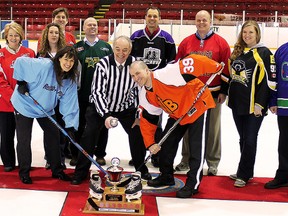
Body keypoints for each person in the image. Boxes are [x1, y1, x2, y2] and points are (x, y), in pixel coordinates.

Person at [129, 54, 224, 198]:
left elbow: (193, 61)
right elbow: (148, 121)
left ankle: (193, 184)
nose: (136, 78)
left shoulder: (166, 74)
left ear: (147, 70)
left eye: (138, 73)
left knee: (195, 147)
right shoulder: (145, 95)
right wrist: (150, 144)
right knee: (167, 144)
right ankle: (166, 176)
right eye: (132, 76)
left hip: (197, 106)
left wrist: (214, 67)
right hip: (178, 114)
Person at [71, 36, 151, 185]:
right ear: (113, 48)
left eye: (125, 50)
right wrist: (106, 115)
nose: (121, 53)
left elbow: (140, 90)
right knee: (88, 135)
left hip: (125, 107)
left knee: (137, 132)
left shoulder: (135, 64)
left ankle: (141, 169)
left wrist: (138, 113)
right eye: (118, 49)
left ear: (130, 50)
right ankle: (80, 171)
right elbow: (97, 92)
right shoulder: (103, 64)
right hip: (101, 107)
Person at [10, 46, 79, 184]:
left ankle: (57, 170)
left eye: (71, 61)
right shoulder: (44, 65)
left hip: (45, 110)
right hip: (25, 103)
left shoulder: (69, 80)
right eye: (66, 59)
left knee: (54, 136)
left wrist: (70, 126)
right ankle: (24, 171)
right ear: (58, 59)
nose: (68, 63)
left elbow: (69, 104)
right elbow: (20, 61)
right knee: (24, 139)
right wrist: (21, 81)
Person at [175, 10, 231, 176]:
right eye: (198, 20)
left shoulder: (221, 43)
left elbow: (226, 68)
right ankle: (186, 160)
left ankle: (212, 162)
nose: (201, 23)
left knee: (213, 129)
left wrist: (224, 90)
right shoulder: (186, 43)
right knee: (188, 127)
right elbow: (178, 66)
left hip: (213, 93)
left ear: (210, 21)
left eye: (204, 20)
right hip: (191, 94)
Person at [228, 20, 276, 188]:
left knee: (249, 139)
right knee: (243, 139)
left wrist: (260, 104)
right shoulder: (238, 52)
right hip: (237, 104)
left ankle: (244, 173)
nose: (247, 35)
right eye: (245, 32)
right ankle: (245, 170)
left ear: (257, 34)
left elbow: (269, 82)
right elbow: (232, 77)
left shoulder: (264, 53)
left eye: (251, 33)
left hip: (254, 106)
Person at [130, 6, 176, 167]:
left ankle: (157, 154)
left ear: (159, 18)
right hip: (138, 85)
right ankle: (139, 153)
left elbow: (171, 64)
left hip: (157, 87)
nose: (152, 19)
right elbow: (131, 61)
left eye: (155, 16)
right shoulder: (135, 37)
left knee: (156, 120)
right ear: (145, 17)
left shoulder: (167, 38)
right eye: (149, 16)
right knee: (139, 119)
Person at [73, 17, 113, 167]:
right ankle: (78, 153)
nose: (92, 27)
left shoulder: (106, 47)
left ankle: (100, 154)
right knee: (80, 125)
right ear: (83, 28)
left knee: (102, 126)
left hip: (101, 96)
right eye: (89, 25)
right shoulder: (77, 48)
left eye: (94, 25)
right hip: (81, 94)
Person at [0, 22, 35, 172]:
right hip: (5, 103)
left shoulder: (30, 53)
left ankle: (24, 163)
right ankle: (8, 161)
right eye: (10, 35)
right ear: (6, 37)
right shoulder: (0, 54)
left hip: (25, 103)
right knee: (6, 134)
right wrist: (12, 97)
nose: (13, 38)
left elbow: (34, 76)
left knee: (23, 137)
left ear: (21, 36)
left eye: (16, 35)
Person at [37, 22, 67, 169]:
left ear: (59, 35)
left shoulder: (65, 52)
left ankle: (60, 158)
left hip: (61, 97)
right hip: (46, 97)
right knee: (48, 129)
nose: (54, 35)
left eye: (56, 32)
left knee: (61, 128)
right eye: (51, 32)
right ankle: (49, 157)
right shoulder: (41, 54)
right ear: (46, 35)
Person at [264, 41, 288, 189]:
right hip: (285, 106)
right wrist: (272, 100)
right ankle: (283, 175)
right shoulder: (282, 50)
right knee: (285, 142)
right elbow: (273, 79)